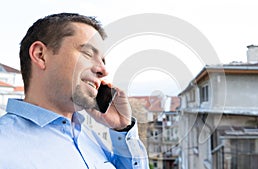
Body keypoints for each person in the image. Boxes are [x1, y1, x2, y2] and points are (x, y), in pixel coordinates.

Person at [0, 13, 149, 169]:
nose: (103, 70)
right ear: (40, 55)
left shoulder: (93, 140)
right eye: (88, 54)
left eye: (103, 61)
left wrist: (122, 128)